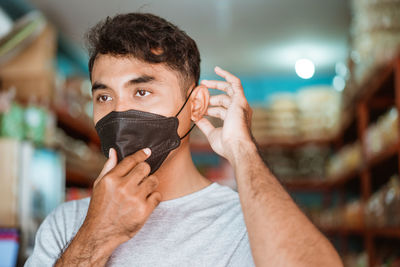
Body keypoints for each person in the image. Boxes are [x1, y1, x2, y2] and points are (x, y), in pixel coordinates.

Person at [25, 13, 342, 267]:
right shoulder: (68, 224)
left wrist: (242, 150)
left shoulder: (247, 222)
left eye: (142, 91)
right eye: (104, 96)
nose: (118, 113)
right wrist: (97, 235)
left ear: (196, 104)